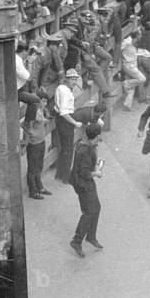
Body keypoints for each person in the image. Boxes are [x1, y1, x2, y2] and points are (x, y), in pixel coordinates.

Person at [69, 123, 103, 258]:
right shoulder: (87, 151)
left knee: (97, 207)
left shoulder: (83, 144)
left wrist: (95, 163)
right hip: (84, 184)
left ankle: (91, 236)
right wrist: (96, 173)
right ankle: (77, 241)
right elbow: (84, 172)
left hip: (80, 182)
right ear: (95, 136)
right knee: (89, 212)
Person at [53, 69, 83, 181]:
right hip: (65, 121)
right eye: (72, 79)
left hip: (61, 120)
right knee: (68, 149)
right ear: (67, 79)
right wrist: (75, 122)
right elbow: (64, 112)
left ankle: (60, 173)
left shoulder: (61, 88)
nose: (74, 82)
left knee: (64, 148)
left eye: (75, 79)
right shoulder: (65, 91)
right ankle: (66, 176)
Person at [23, 88, 52, 200]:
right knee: (33, 168)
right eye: (42, 101)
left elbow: (38, 121)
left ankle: (39, 187)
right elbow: (27, 125)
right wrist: (32, 135)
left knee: (39, 166)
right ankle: (33, 191)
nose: (44, 104)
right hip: (34, 143)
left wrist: (44, 121)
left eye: (45, 101)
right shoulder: (32, 110)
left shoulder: (40, 111)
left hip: (41, 141)